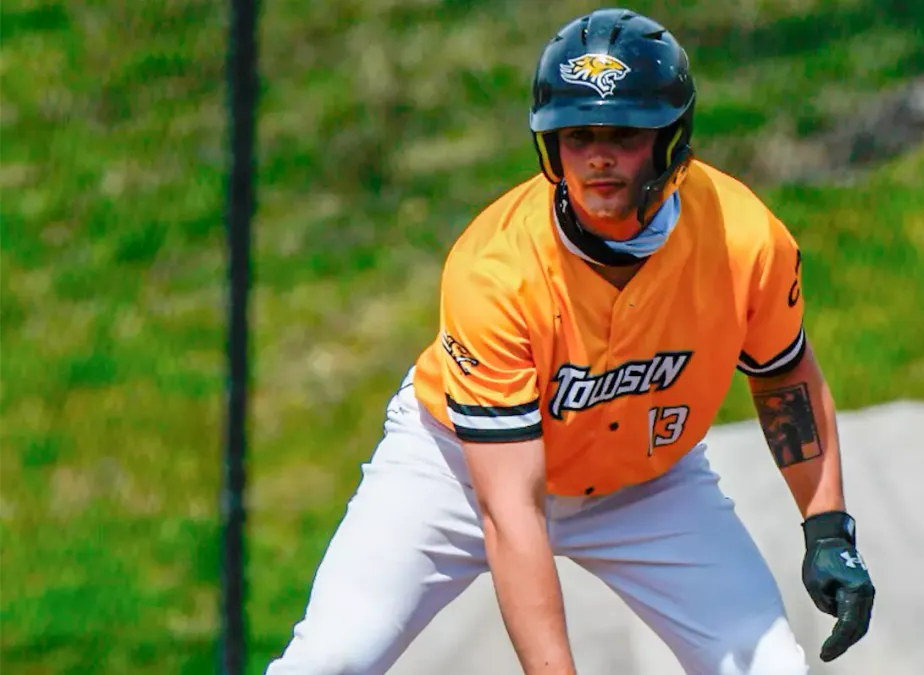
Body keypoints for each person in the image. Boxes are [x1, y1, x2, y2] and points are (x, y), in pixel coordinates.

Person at [265, 7, 875, 675]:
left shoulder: (744, 239)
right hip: (459, 473)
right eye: (577, 134)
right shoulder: (496, 270)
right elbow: (511, 512)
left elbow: (783, 372)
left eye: (624, 131)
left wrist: (826, 526)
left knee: (773, 668)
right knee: (327, 660)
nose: (599, 156)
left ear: (673, 139)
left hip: (650, 482)